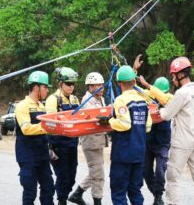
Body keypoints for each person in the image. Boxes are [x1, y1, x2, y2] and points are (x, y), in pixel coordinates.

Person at [157, 57, 194, 205]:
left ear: (180, 75)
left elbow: (166, 114)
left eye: (173, 75)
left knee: (173, 177)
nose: (173, 79)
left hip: (182, 143)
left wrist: (159, 110)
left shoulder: (182, 93)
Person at [108, 65, 152, 205]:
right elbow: (148, 127)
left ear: (120, 84)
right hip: (139, 154)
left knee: (119, 192)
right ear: (134, 82)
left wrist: (110, 121)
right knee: (135, 191)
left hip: (123, 154)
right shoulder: (144, 101)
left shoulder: (121, 100)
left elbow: (125, 124)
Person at [15, 70, 55, 205]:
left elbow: (49, 127)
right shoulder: (22, 106)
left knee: (49, 188)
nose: (47, 91)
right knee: (30, 191)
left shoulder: (42, 106)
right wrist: (46, 127)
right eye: (45, 87)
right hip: (27, 155)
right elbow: (26, 129)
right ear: (36, 87)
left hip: (42, 154)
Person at [68, 72, 107, 205]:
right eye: (98, 85)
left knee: (96, 171)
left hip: (99, 140)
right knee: (99, 175)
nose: (102, 88)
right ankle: (97, 201)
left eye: (102, 85)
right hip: (91, 141)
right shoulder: (86, 101)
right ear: (90, 87)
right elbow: (95, 118)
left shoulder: (100, 99)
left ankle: (77, 194)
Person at [45, 67, 80, 205]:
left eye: (73, 84)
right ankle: (61, 200)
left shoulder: (75, 99)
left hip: (72, 143)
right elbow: (50, 122)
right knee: (63, 176)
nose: (71, 87)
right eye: (68, 84)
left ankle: (63, 195)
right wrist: (50, 147)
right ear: (61, 83)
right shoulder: (53, 99)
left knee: (72, 177)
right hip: (58, 144)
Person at [138, 76, 173, 205]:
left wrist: (147, 85)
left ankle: (158, 196)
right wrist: (134, 71)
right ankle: (156, 194)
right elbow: (135, 90)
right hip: (148, 140)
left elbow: (164, 100)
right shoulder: (148, 95)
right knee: (146, 171)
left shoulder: (170, 98)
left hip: (162, 142)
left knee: (160, 170)